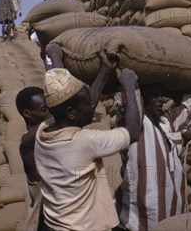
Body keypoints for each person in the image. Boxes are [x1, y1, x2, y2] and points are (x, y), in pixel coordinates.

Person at [35, 48, 141, 230]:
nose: (92, 106)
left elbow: (63, 98)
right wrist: (129, 86)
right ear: (71, 113)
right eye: (86, 103)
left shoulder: (43, 132)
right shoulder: (85, 141)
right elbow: (132, 132)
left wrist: (104, 71)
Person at [115, 86, 191, 231]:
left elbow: (188, 104)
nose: (160, 100)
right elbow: (127, 97)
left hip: (171, 214)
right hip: (138, 222)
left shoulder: (166, 122)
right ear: (143, 99)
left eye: (161, 96)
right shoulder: (135, 124)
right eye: (154, 96)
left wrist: (169, 88)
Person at [16, 87, 50, 231]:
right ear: (27, 113)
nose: (50, 111)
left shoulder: (51, 133)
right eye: (44, 108)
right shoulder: (29, 142)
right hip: (48, 220)